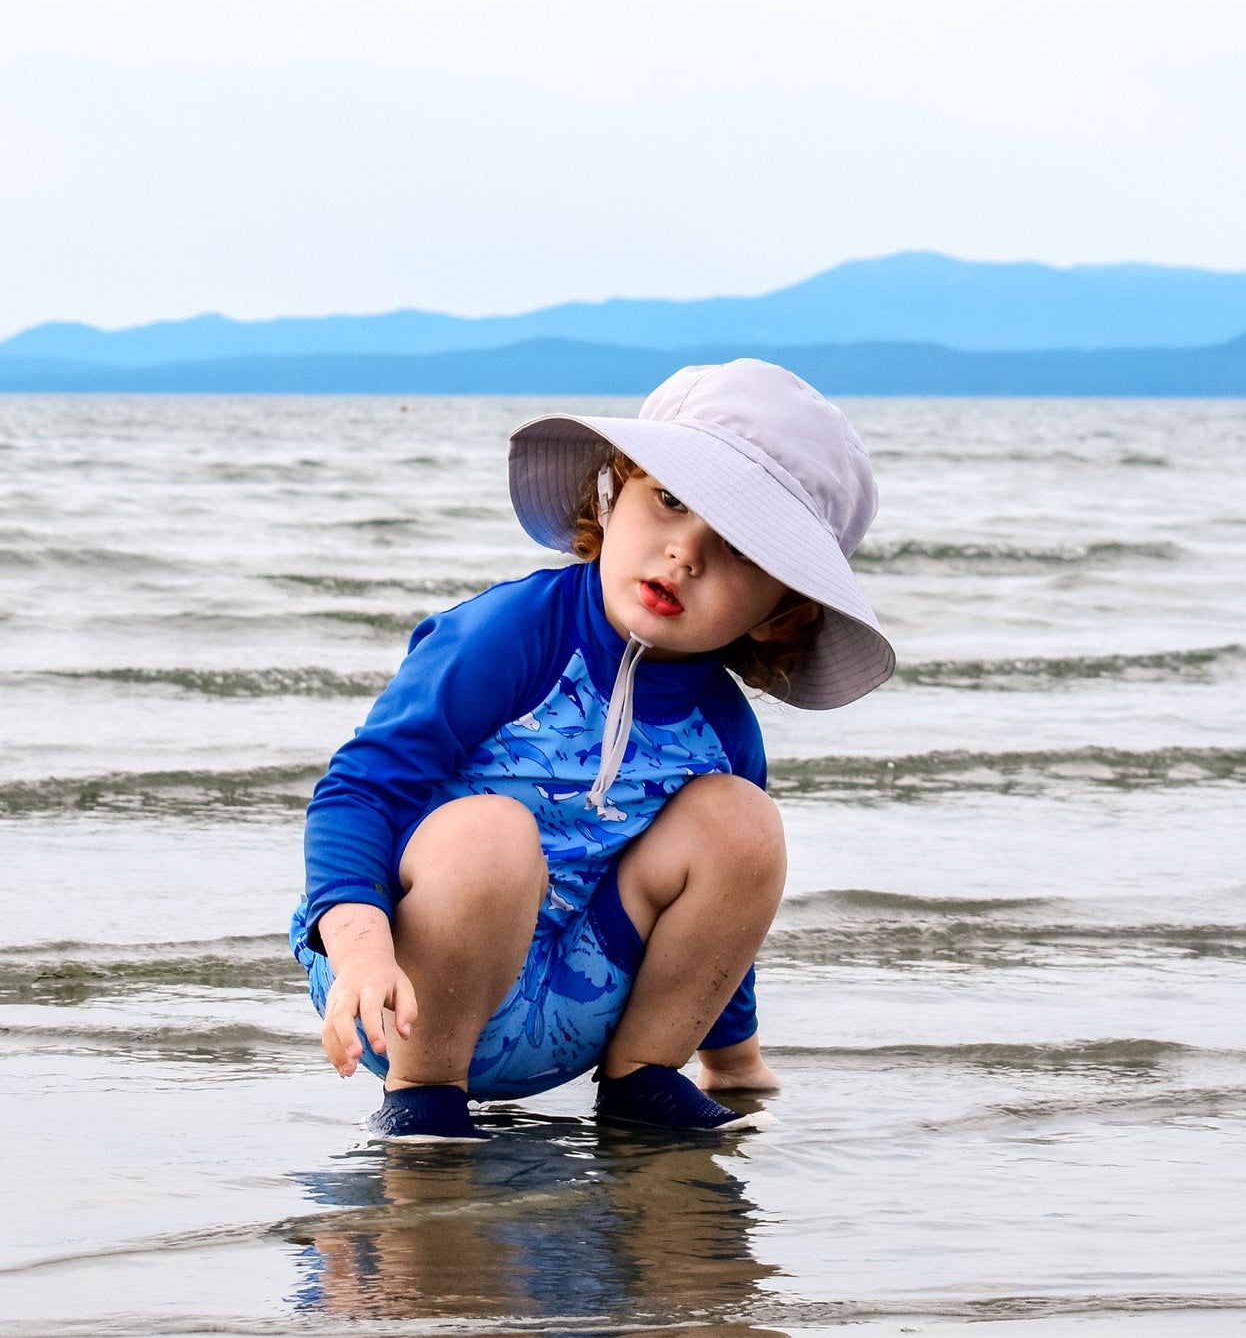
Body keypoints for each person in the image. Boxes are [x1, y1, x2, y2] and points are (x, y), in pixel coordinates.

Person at [290, 358, 894, 1140]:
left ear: (780, 613)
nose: (685, 553)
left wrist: (734, 1056)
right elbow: (358, 791)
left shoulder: (721, 727)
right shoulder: (511, 635)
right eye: (670, 502)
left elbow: (724, 924)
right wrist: (361, 951)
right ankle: (424, 1100)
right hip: (404, 988)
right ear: (613, 493)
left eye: (740, 547)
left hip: (580, 1009)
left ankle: (644, 1077)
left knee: (744, 823)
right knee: (489, 831)